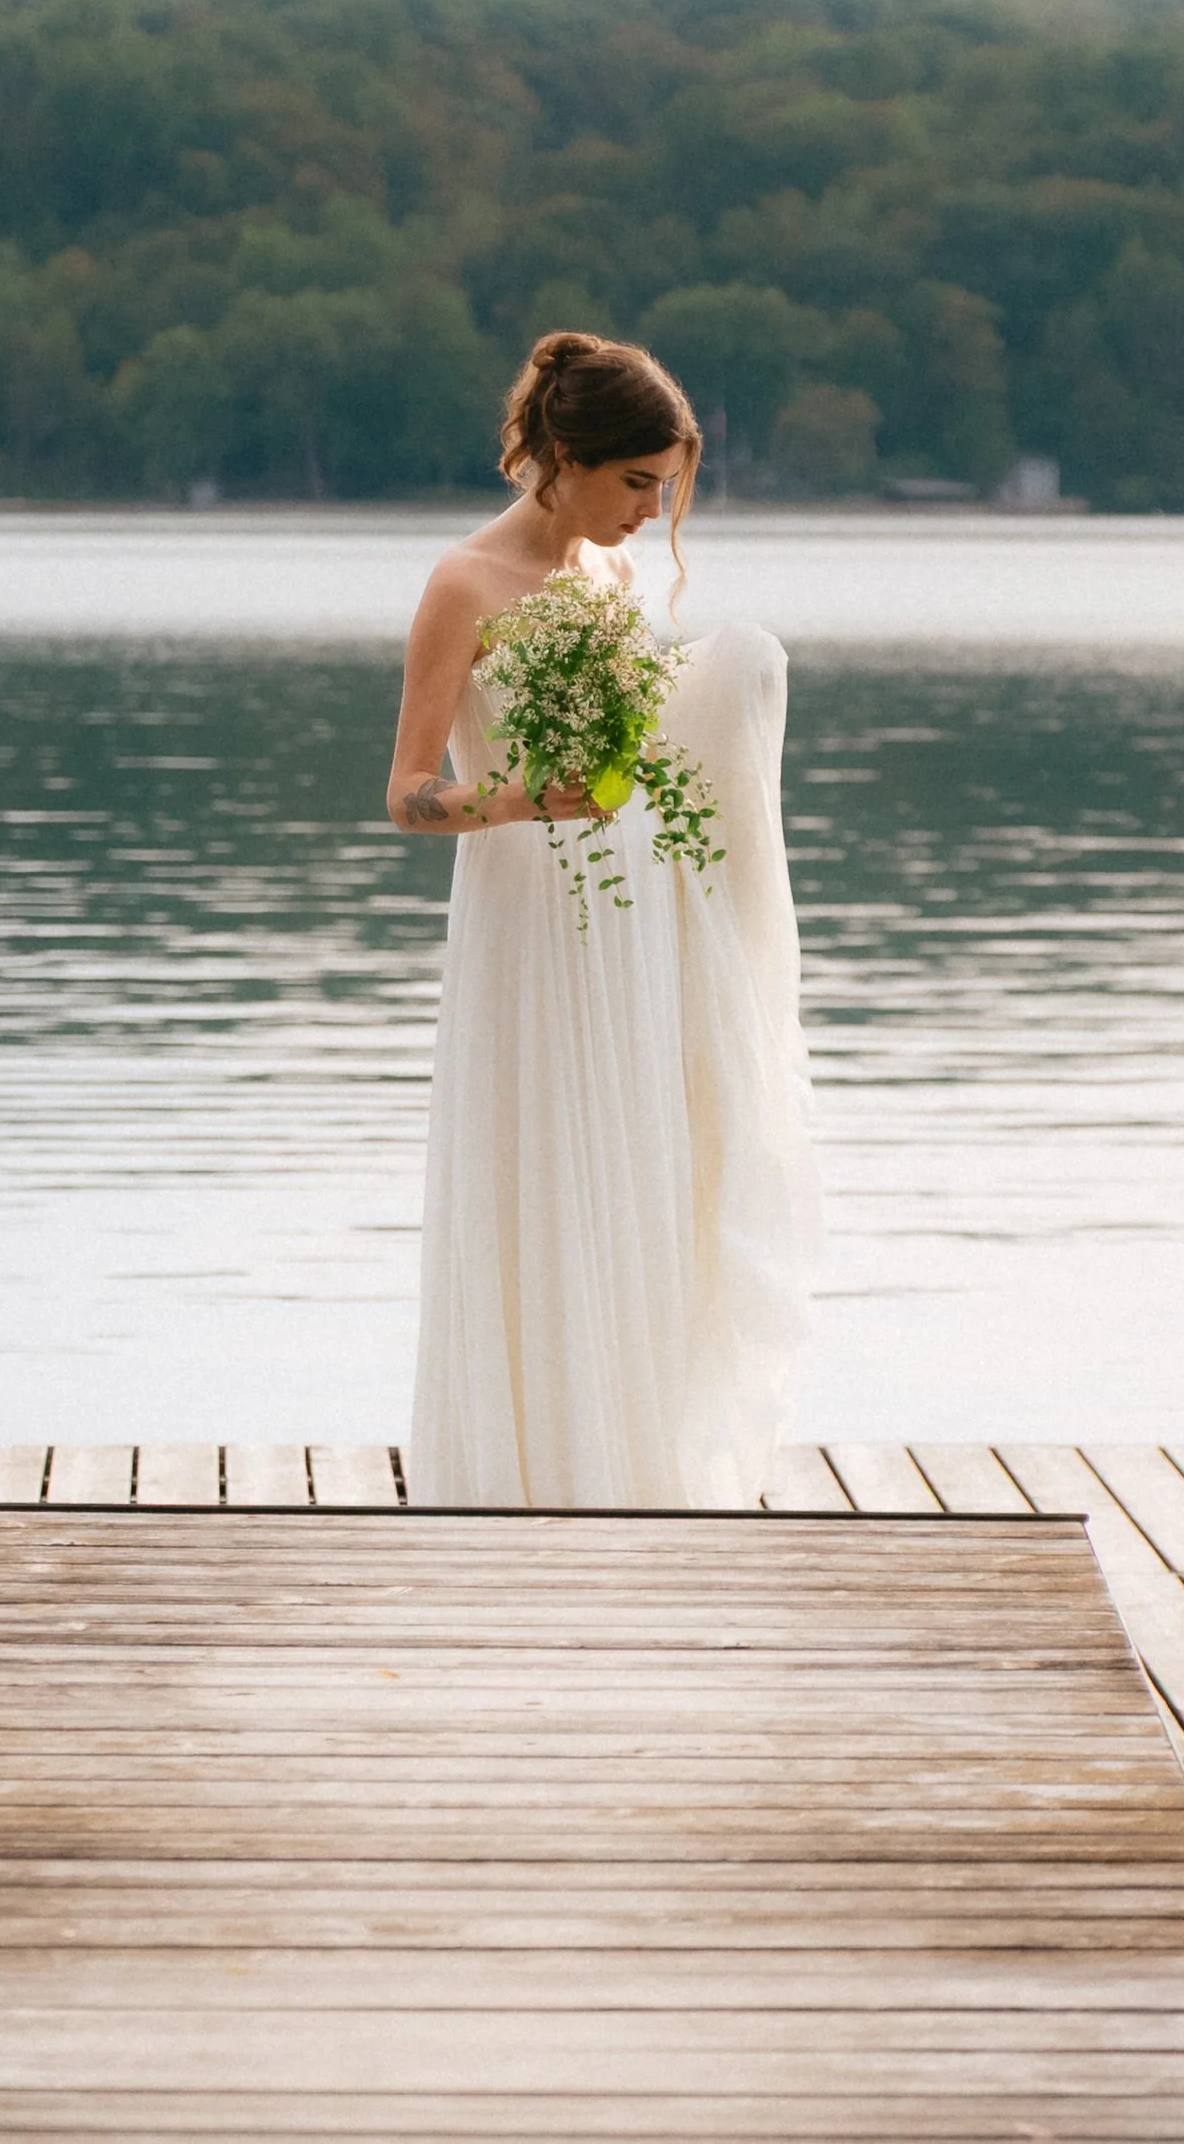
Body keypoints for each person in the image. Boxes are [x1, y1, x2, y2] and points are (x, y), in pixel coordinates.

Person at [390, 329, 820, 1508]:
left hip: (634, 917)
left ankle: (627, 1464)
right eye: (635, 483)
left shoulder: (609, 577)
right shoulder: (464, 585)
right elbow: (408, 794)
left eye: (664, 490)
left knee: (638, 1172)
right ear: (565, 458)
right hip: (527, 920)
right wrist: (517, 798)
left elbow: (639, 745)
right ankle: (525, 1475)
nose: (647, 513)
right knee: (542, 1170)